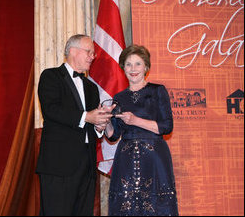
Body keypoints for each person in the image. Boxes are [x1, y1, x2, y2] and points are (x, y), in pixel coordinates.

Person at [36, 34, 113, 216]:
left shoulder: (91, 87)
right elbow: (51, 110)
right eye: (89, 52)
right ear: (72, 51)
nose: (92, 57)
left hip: (86, 167)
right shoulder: (51, 76)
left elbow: (91, 123)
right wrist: (88, 117)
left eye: (93, 53)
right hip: (59, 166)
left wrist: (99, 125)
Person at [104, 44, 179, 216]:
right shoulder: (119, 97)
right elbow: (113, 134)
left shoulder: (157, 91)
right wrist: (104, 122)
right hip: (125, 159)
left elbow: (166, 127)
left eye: (138, 64)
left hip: (154, 158)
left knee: (156, 205)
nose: (133, 69)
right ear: (123, 68)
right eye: (128, 64)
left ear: (146, 67)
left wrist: (135, 120)